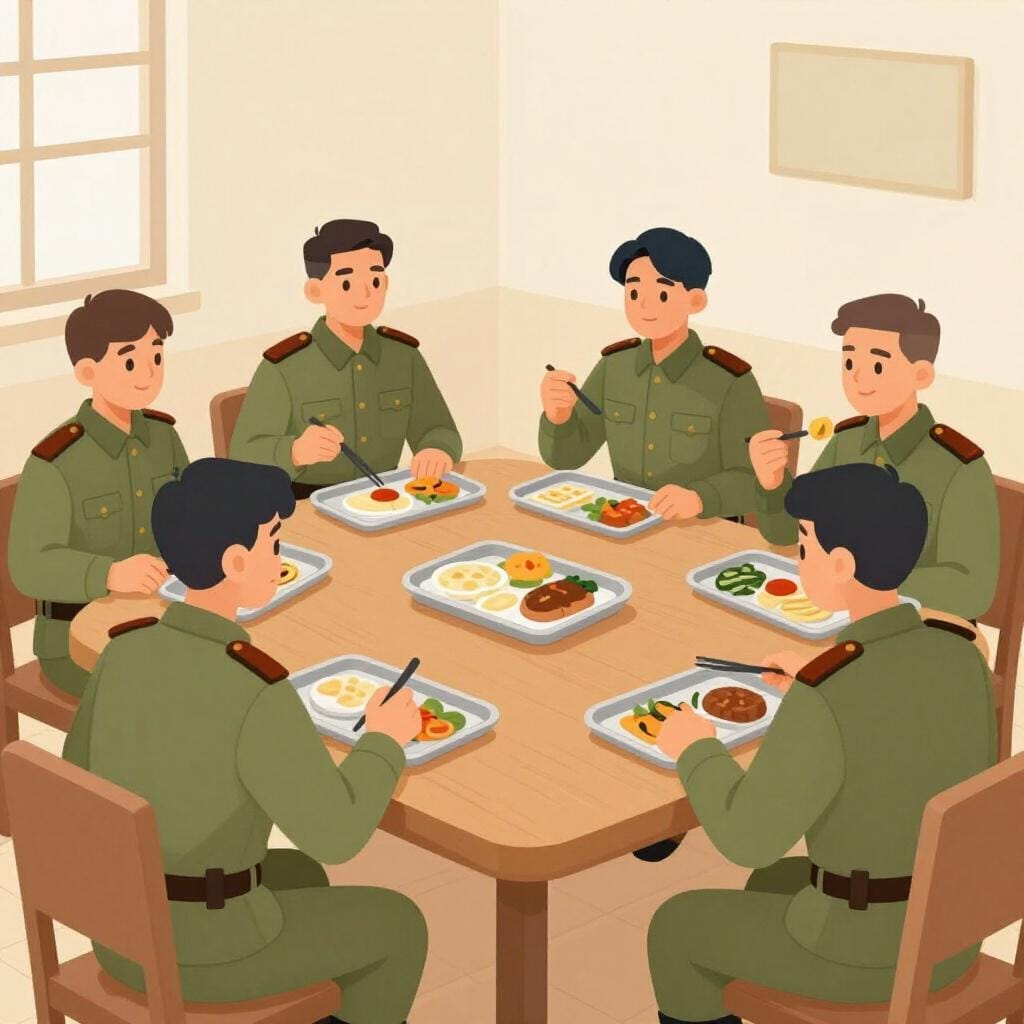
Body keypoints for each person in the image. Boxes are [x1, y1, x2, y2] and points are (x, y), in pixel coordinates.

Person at [63, 458, 427, 1024]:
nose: (280, 560)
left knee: (300, 877)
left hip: (121, 928)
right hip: (198, 952)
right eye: (274, 545)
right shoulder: (255, 686)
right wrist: (383, 741)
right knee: (401, 924)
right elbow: (337, 834)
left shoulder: (122, 652)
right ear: (235, 561)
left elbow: (76, 774)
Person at [645, 463, 996, 1024]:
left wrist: (696, 747)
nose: (795, 558)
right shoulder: (962, 654)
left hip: (873, 955)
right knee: (774, 884)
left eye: (803, 545)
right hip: (952, 932)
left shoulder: (827, 690)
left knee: (676, 927)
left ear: (841, 563)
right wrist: (818, 679)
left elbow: (747, 838)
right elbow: (892, 716)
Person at [749, 293, 999, 621]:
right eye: (849, 362)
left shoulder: (959, 467)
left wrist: (865, 585)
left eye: (878, 365)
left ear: (921, 374)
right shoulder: (847, 442)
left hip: (916, 630)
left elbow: (972, 590)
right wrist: (773, 483)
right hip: (835, 621)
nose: (857, 377)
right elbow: (790, 536)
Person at [8, 290, 188, 697]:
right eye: (129, 360)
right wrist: (108, 575)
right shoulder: (56, 461)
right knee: (173, 694)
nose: (147, 373)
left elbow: (190, 514)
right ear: (87, 372)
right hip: (76, 639)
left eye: (156, 357)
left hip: (162, 616)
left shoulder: (164, 436)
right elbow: (29, 565)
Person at [538, 227, 770, 522]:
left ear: (695, 301)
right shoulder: (614, 366)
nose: (644, 305)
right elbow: (566, 458)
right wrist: (558, 418)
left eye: (662, 293)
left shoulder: (729, 380)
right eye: (633, 292)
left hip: (701, 529)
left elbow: (756, 479)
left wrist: (699, 498)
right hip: (623, 520)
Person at [229, 219, 463, 499]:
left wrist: (435, 449)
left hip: (388, 498)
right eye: (347, 282)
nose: (364, 294)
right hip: (305, 507)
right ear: (315, 291)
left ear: (385, 284)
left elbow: (439, 428)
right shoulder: (284, 367)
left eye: (375, 280)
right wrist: (295, 451)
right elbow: (243, 454)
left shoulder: (403, 357)